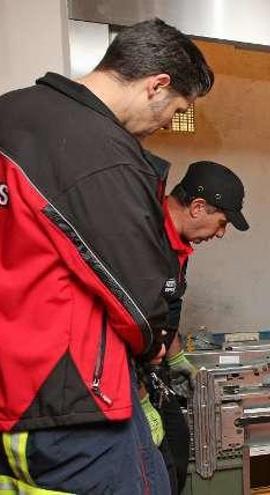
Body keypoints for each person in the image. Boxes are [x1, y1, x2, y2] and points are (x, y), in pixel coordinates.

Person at [0, 18, 213, 494]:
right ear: (157, 85)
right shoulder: (103, 152)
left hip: (13, 391)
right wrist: (155, 342)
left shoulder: (11, 115)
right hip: (74, 396)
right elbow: (138, 296)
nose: (164, 125)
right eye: (175, 110)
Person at [139, 160, 249, 494]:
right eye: (221, 223)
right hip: (129, 377)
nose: (220, 233)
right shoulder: (144, 238)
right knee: (157, 472)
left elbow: (165, 310)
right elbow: (122, 320)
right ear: (198, 207)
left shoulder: (179, 247)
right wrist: (138, 394)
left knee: (176, 442)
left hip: (155, 370)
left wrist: (176, 358)